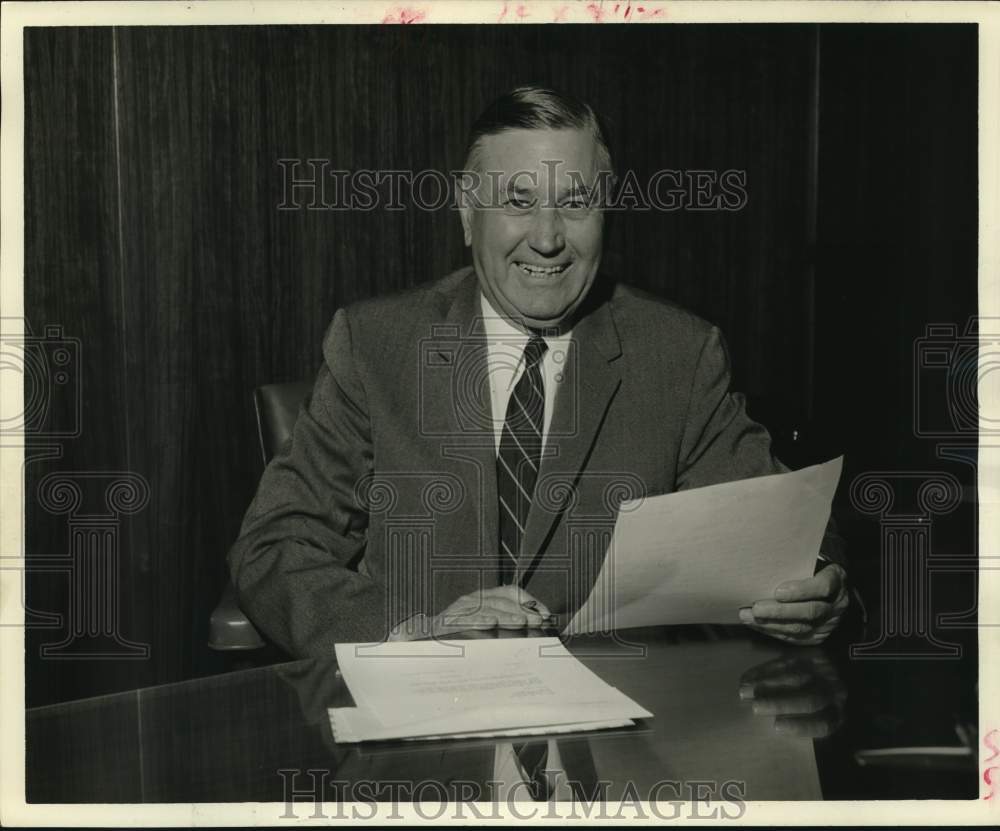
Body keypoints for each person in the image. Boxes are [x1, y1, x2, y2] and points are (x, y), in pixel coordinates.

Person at [228, 85, 849, 656]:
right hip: (425, 737)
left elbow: (789, 527)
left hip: (614, 750)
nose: (548, 238)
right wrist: (415, 634)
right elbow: (277, 546)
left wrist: (816, 586)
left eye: (574, 203)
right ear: (468, 212)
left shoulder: (679, 355)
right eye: (518, 202)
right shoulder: (374, 345)